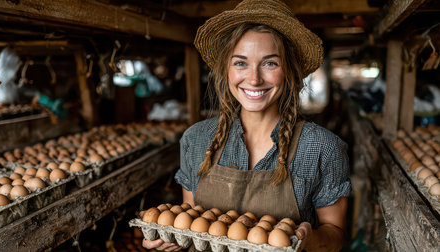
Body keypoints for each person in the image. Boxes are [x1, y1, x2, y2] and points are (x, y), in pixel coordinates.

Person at [143, 0, 351, 251]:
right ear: (226, 69)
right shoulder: (196, 140)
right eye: (240, 62)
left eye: (269, 63)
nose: (254, 79)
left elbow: (335, 236)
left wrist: (311, 237)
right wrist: (173, 237)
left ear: (289, 71)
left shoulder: (322, 147)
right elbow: (193, 221)